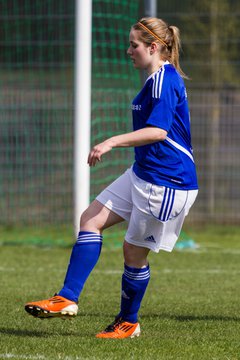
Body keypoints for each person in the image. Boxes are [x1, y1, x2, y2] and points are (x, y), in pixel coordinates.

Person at [25, 17, 198, 339]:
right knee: (90, 218)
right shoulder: (154, 79)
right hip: (144, 174)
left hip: (167, 183)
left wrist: (110, 141)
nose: (128, 51)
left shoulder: (164, 80)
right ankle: (66, 298)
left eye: (134, 45)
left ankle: (128, 322)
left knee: (133, 254)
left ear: (153, 47)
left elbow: (158, 131)